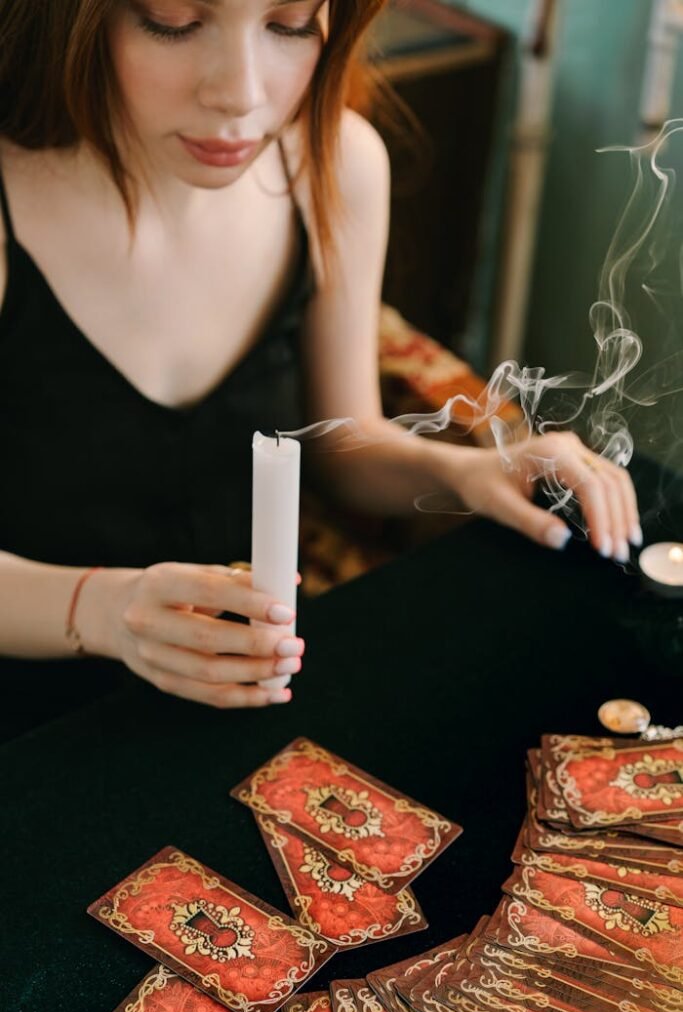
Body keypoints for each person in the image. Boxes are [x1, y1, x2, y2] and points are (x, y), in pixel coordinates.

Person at [0, 0, 641, 722]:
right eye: (174, 21)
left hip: (248, 689)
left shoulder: (335, 163)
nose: (240, 92)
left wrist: (470, 471)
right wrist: (103, 611)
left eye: (290, 24)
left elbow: (344, 446)